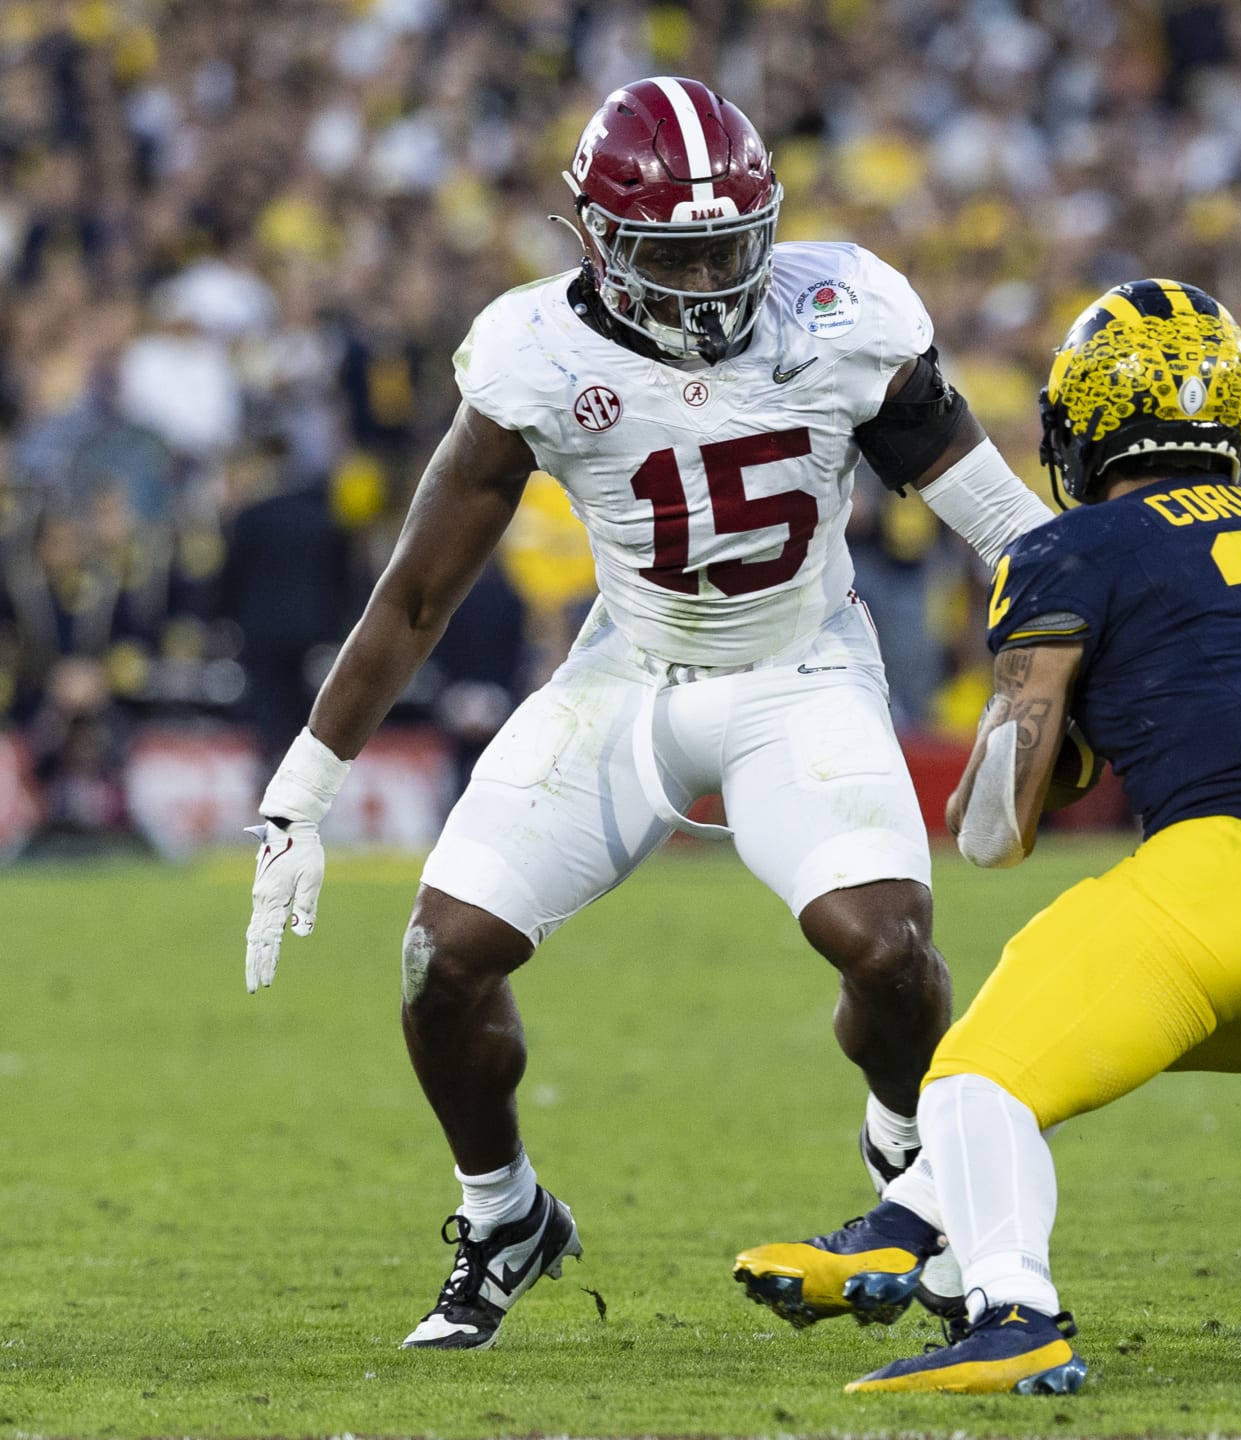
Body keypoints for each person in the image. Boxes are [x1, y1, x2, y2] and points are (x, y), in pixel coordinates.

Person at [240, 76, 1053, 1351]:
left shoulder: (844, 314)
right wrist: (303, 787)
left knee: (890, 952)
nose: (714, 280)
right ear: (597, 243)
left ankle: (908, 1155)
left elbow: (1007, 528)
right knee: (440, 962)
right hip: (629, 677)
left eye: (732, 246)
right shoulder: (536, 355)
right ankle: (505, 1215)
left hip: (802, 668)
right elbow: (416, 595)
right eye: (677, 255)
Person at [732, 280, 1241, 1395]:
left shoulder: (1072, 549)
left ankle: (1015, 1314)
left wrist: (1058, 737)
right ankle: (902, 1229)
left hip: (1222, 893)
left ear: (1086, 422)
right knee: (1042, 1050)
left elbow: (994, 834)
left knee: (971, 1077)